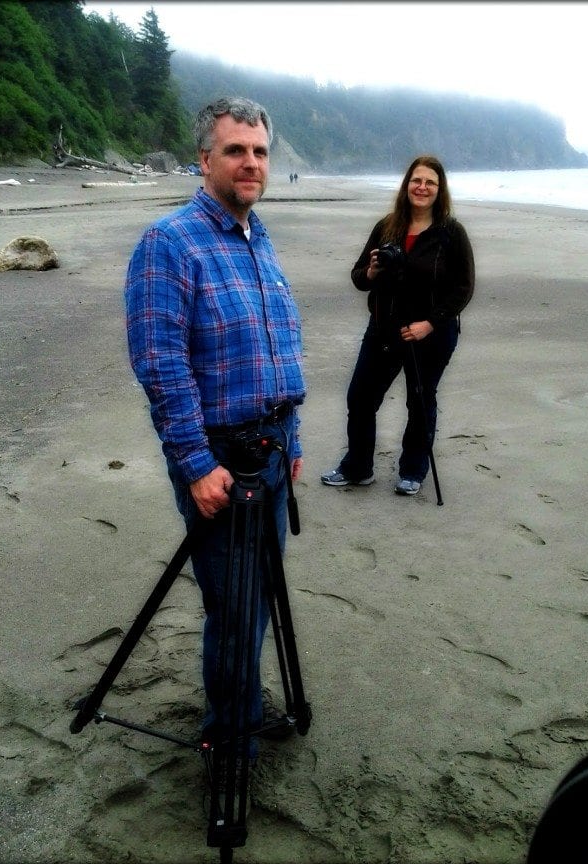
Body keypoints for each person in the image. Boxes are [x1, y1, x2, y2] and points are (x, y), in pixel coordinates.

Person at [124, 97, 306, 763]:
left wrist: (295, 439)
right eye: (235, 150)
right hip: (220, 458)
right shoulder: (169, 244)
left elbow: (279, 348)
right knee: (234, 611)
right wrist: (196, 463)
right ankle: (231, 742)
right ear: (204, 159)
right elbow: (160, 362)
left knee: (260, 601)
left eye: (259, 151)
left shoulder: (260, 240)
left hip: (273, 446)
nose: (250, 163)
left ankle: (246, 711)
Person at [321, 154, 474, 495]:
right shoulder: (387, 226)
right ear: (407, 185)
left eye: (430, 182)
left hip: (431, 335)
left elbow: (463, 288)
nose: (422, 187)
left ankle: (413, 471)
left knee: (420, 401)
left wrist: (430, 324)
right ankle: (358, 467)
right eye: (416, 181)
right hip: (383, 329)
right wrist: (372, 272)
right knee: (360, 397)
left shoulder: (451, 233)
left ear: (440, 189)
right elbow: (360, 277)